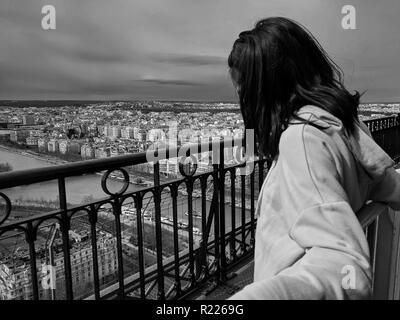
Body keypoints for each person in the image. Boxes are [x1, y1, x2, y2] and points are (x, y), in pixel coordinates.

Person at [227, 17, 400, 300]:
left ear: (265, 87)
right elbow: (386, 185)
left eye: (242, 87)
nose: (240, 97)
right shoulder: (343, 127)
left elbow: (344, 266)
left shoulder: (302, 140)